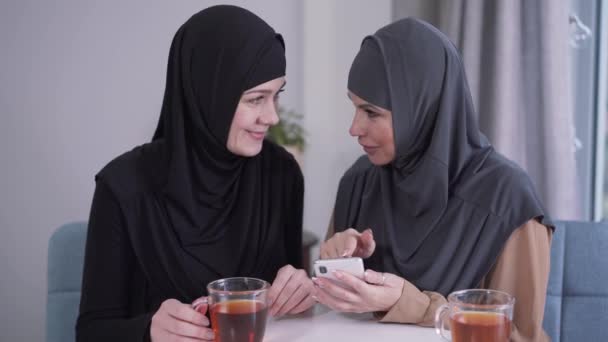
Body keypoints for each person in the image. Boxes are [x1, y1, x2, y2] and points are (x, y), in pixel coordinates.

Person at [76, 5, 314, 342]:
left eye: (277, 96)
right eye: (256, 99)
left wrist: (300, 292)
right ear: (209, 94)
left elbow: (285, 311)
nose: (272, 117)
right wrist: (148, 332)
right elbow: (91, 332)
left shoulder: (282, 175)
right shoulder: (123, 187)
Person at [314, 18, 553, 341]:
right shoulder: (359, 182)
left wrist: (410, 304)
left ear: (422, 110)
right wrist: (336, 265)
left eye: (372, 112)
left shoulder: (507, 201)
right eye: (354, 107)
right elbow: (332, 317)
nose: (354, 128)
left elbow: (517, 336)